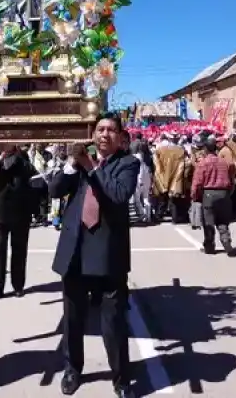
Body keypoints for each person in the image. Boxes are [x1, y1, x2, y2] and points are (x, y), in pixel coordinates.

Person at [50, 114, 139, 398]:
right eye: (100, 129)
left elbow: (117, 195)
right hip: (75, 250)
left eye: (111, 130)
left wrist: (91, 167)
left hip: (107, 253)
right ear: (92, 134)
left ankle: (121, 378)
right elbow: (54, 190)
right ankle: (72, 369)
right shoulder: (79, 163)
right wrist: (69, 165)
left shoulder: (128, 164)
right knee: (73, 319)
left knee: (112, 322)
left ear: (121, 137)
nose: (104, 134)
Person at [0, 146, 34, 301]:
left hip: (20, 210)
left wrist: (20, 154)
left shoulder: (23, 157)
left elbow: (31, 173)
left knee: (19, 249)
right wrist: (0, 159)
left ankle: (18, 285)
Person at [190, 136, 236, 256]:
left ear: (206, 149)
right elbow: (232, 179)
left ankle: (210, 246)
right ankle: (226, 241)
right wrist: (229, 192)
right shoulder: (224, 162)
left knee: (209, 223)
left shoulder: (203, 163)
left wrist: (195, 196)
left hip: (209, 194)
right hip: (224, 193)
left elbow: (197, 182)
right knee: (223, 221)